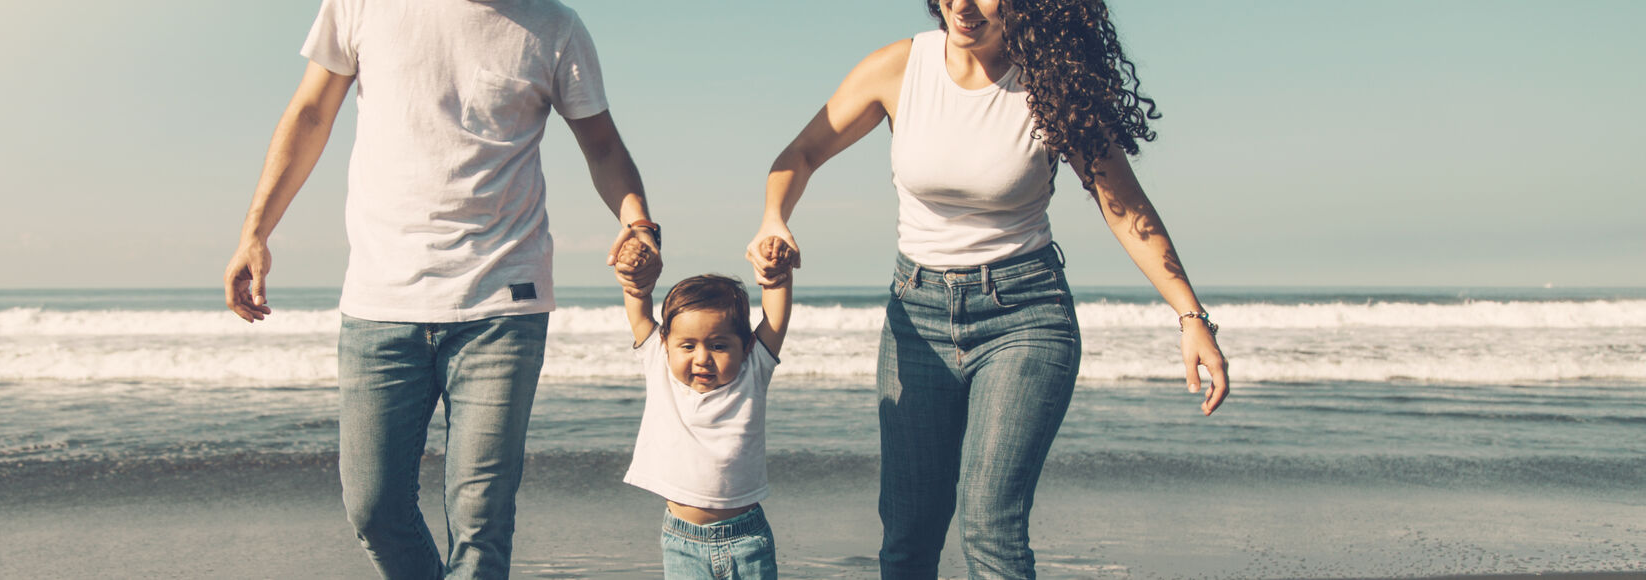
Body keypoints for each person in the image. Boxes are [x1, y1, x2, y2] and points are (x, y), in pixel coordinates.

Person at [743, 0, 1231, 578]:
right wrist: (775, 216)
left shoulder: (1052, 82)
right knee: (908, 531)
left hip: (1025, 315)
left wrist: (1191, 316)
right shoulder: (900, 68)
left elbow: (1125, 209)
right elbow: (800, 153)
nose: (963, 5)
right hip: (916, 314)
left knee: (990, 528)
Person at [220, 0, 661, 577]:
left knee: (481, 525)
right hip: (381, 301)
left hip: (504, 301)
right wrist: (255, 231)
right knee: (374, 510)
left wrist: (639, 224)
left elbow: (601, 144)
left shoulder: (554, 26)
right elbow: (309, 114)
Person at [614, 236, 795, 580]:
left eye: (717, 345)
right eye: (688, 345)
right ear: (666, 343)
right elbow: (638, 302)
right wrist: (635, 268)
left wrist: (777, 273)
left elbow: (776, 314)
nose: (702, 358)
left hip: (748, 540)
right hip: (682, 543)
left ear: (746, 346)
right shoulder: (658, 362)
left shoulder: (752, 371)